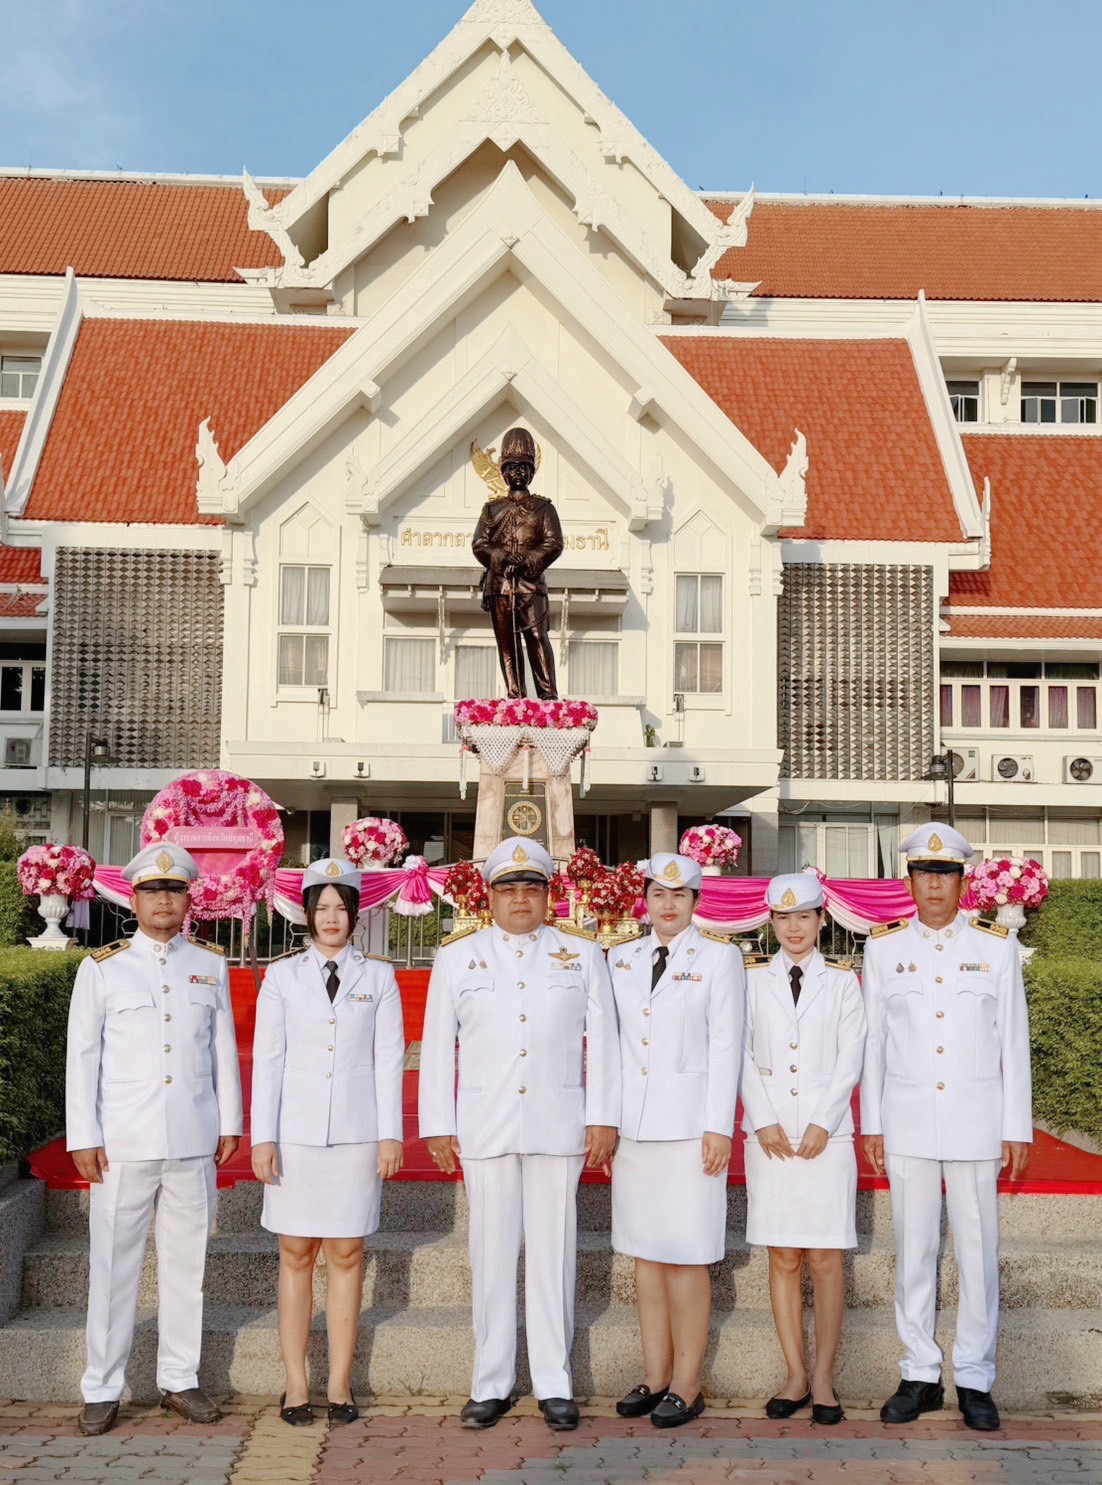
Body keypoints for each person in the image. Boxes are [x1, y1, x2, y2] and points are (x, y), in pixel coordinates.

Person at [419, 837, 620, 1432]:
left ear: (548, 894)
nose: (521, 899)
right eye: (509, 889)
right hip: (486, 1124)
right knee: (491, 1254)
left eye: (532, 888)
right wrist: (438, 1123)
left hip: (559, 1125)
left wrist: (602, 1115)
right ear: (491, 896)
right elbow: (436, 1047)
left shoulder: (580, 954)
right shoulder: (459, 957)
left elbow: (604, 1041)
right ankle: (492, 1381)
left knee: (555, 1256)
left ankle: (554, 1382)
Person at [65, 843, 242, 1437]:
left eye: (174, 891)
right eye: (152, 891)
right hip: (123, 1141)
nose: (163, 900)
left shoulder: (209, 964)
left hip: (192, 1138)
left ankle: (179, 1377)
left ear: (190, 899)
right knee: (113, 1265)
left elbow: (222, 1051)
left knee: (187, 1264)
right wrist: (83, 1135)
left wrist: (229, 1121)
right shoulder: (104, 968)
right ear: (133, 899)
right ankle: (102, 1385)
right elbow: (82, 1057)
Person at [861, 823, 1033, 1432]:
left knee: (978, 1250)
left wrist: (1017, 1128)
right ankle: (919, 1372)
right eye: (923, 873)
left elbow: (1013, 1040)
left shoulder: (996, 947)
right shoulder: (881, 948)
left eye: (946, 873)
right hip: (908, 1120)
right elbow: (874, 1044)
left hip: (977, 1121)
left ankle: (976, 1378)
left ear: (963, 881)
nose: (934, 883)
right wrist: (872, 1123)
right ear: (908, 879)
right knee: (914, 1250)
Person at [251, 857, 405, 1427]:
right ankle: (296, 1383)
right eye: (323, 908)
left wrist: (391, 1134)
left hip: (357, 1137)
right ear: (308, 914)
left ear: (355, 914)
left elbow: (389, 1059)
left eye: (342, 907)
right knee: (295, 1253)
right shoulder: (282, 977)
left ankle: (339, 1382)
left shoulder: (379, 977)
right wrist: (263, 1137)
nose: (332, 917)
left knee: (347, 1253)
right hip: (295, 1137)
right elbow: (268, 1062)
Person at [608, 852, 744, 1429]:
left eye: (680, 895)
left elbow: (726, 1045)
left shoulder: (720, 959)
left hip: (691, 1129)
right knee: (646, 1255)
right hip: (634, 1131)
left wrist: (719, 1126)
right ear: (646, 899)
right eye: (659, 894)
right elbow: (610, 1046)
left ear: (695, 901)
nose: (668, 904)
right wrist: (607, 1123)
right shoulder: (618, 958)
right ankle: (655, 1372)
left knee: (688, 1257)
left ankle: (688, 1383)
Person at [740, 873, 867, 1426]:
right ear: (771, 923)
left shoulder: (842, 981)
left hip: (825, 1137)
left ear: (822, 920)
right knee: (783, 1257)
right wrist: (762, 1120)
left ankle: (823, 1378)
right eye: (783, 917)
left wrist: (823, 1120)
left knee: (825, 1258)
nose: (794, 927)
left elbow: (851, 1057)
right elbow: (736, 1052)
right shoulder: (747, 981)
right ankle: (794, 1373)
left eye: (804, 916)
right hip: (768, 1138)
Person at [471, 426, 564, 699]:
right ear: (504, 471)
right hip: (500, 586)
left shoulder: (544, 509)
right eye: (512, 467)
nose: (518, 473)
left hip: (530, 586)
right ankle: (516, 699)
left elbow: (553, 542)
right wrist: (501, 558)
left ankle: (548, 698)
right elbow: (480, 543)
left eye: (524, 467)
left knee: (537, 638)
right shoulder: (492, 509)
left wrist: (526, 560)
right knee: (507, 647)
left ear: (532, 472)